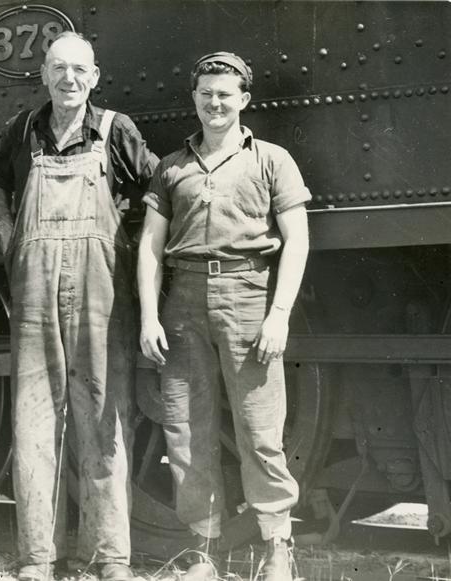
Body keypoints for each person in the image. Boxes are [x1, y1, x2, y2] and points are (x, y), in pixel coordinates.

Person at [0, 32, 158, 581]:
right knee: (34, 420)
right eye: (58, 68)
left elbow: (158, 192)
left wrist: (130, 244)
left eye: (79, 69)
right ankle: (37, 558)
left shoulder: (116, 131)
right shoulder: (24, 130)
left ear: (96, 75)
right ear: (43, 74)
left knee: (103, 418)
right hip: (34, 290)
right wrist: (10, 237)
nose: (69, 79)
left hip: (100, 292)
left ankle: (108, 558)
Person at [137, 52, 310, 581]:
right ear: (194, 99)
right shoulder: (171, 167)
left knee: (260, 429)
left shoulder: (272, 160)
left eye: (225, 94)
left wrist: (279, 315)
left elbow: (298, 239)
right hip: (183, 300)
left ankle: (278, 547)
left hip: (249, 296)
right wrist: (149, 316)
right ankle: (203, 552)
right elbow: (149, 244)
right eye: (206, 94)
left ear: (244, 101)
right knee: (188, 432)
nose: (216, 103)